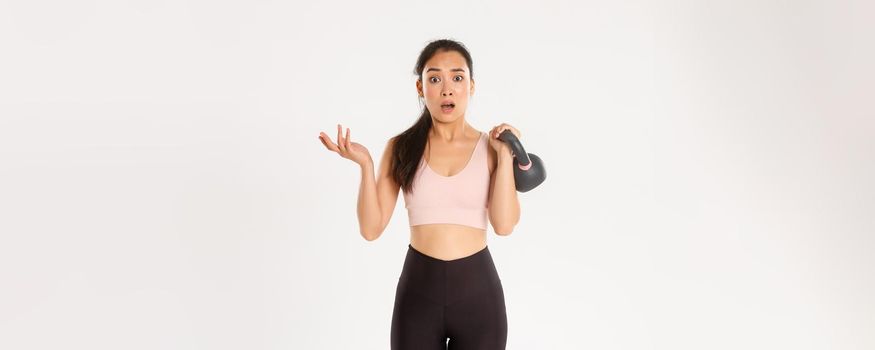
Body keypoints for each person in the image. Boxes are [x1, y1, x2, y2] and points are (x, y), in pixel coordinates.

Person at [318, 38, 522, 350]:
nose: (447, 89)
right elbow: (371, 229)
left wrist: (506, 155)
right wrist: (365, 164)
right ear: (420, 88)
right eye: (434, 78)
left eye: (457, 77)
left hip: (479, 296)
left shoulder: (492, 149)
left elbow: (504, 225)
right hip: (418, 296)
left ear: (472, 85)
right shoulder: (401, 147)